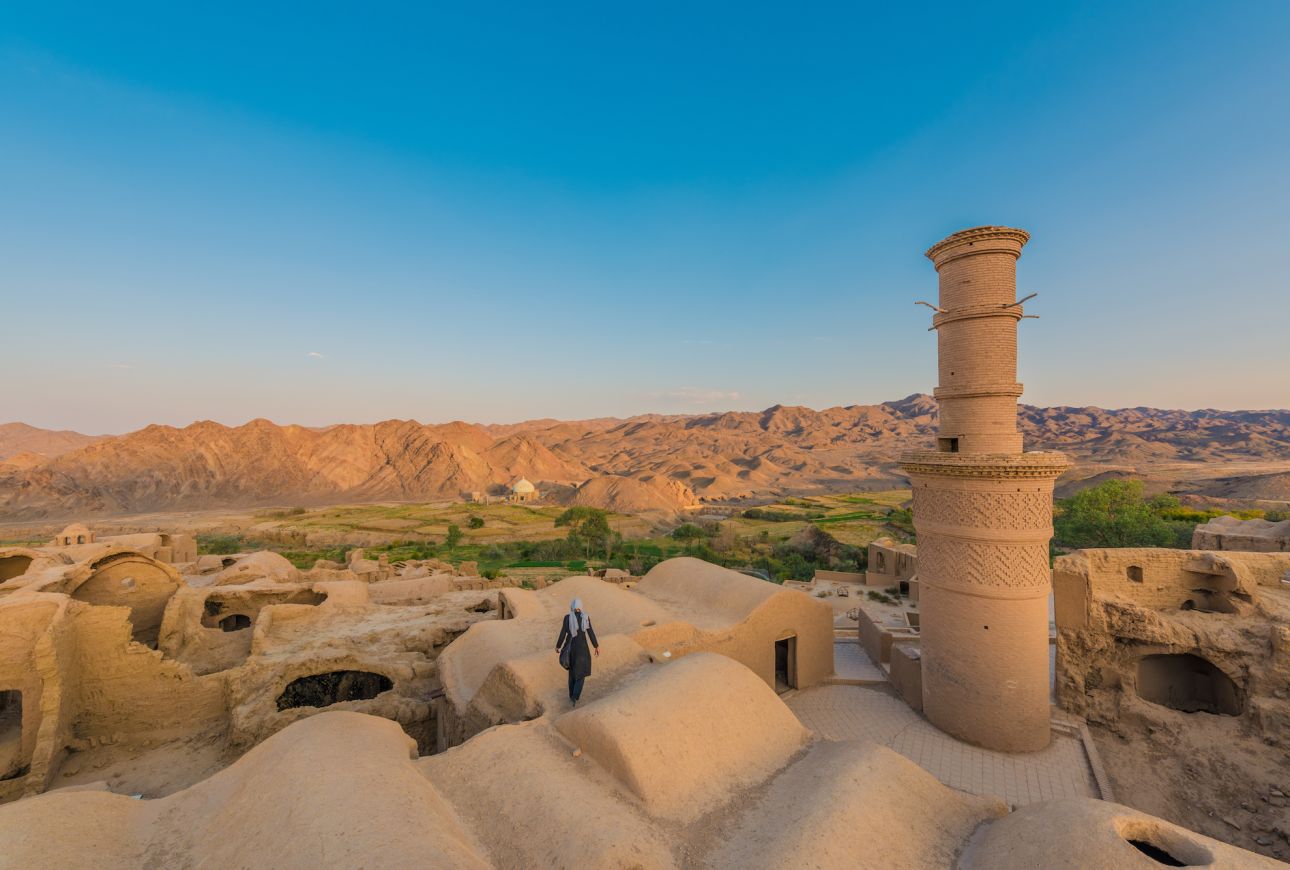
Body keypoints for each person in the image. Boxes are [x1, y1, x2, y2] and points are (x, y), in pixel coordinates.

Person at [555, 597, 599, 706]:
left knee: (572, 672)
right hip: (583, 649)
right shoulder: (585, 617)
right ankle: (575, 696)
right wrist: (596, 646)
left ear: (572, 606)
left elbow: (562, 634)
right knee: (581, 673)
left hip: (571, 649)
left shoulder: (567, 618)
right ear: (581, 607)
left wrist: (558, 646)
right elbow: (590, 632)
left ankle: (571, 695)